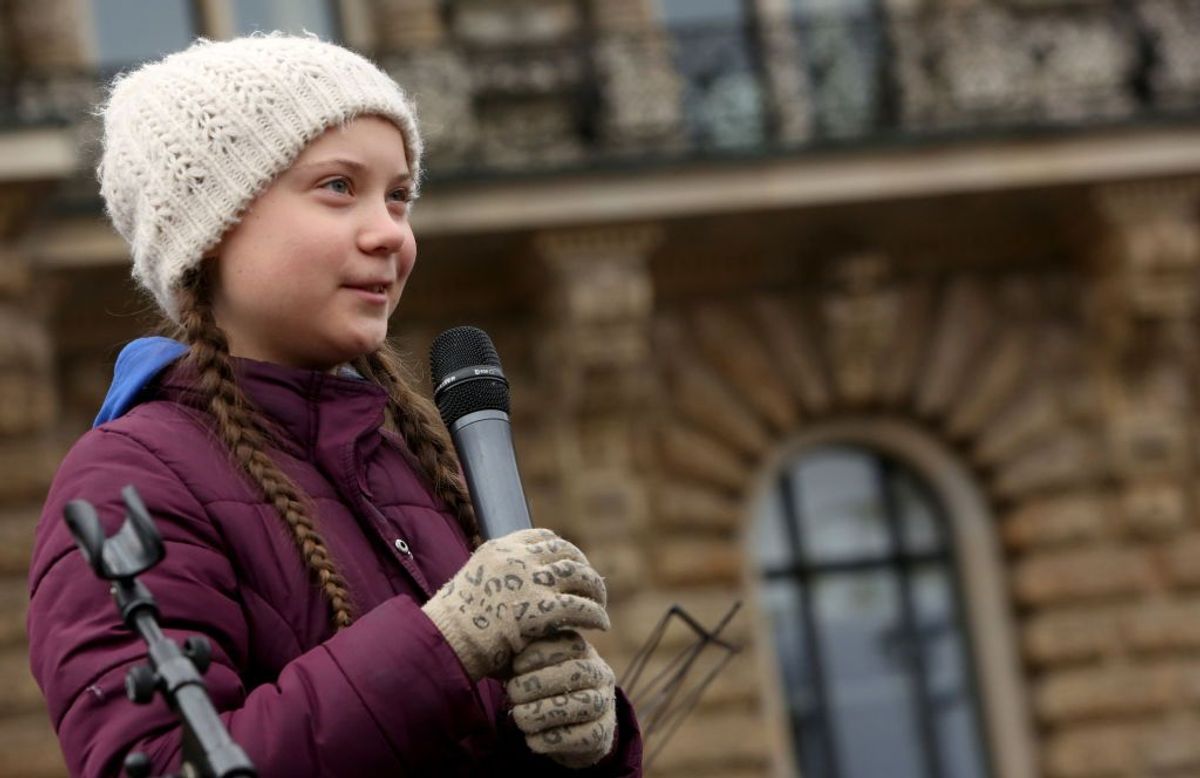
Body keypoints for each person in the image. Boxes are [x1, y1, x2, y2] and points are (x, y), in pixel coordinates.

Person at [26, 34, 642, 777]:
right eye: (339, 188)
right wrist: (443, 643)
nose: (391, 234)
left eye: (399, 195)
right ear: (213, 227)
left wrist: (593, 738)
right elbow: (160, 765)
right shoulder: (126, 483)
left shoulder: (403, 459)